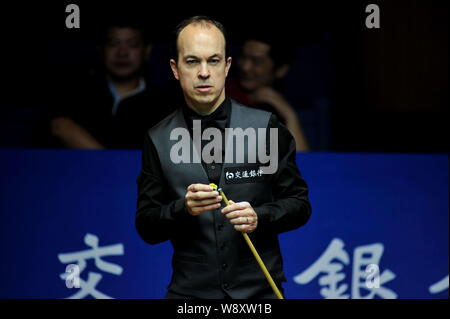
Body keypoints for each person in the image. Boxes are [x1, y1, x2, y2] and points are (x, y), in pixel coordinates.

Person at [135, 16, 312, 299]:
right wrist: (183, 208)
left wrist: (260, 216)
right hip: (190, 297)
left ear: (227, 66)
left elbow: (299, 205)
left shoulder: (265, 127)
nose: (204, 72)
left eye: (213, 61)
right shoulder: (158, 139)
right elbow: (146, 224)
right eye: (192, 61)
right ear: (175, 69)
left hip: (259, 295)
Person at [50, 19, 174, 149]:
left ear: (147, 50)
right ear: (101, 49)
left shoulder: (165, 103)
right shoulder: (76, 92)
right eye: (114, 44)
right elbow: (59, 126)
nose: (122, 53)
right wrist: (107, 163)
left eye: (132, 44)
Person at [227, 35, 310, 151]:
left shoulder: (277, 106)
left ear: (281, 70)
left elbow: (304, 161)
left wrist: (289, 115)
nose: (245, 67)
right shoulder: (222, 93)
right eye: (243, 57)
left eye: (256, 61)